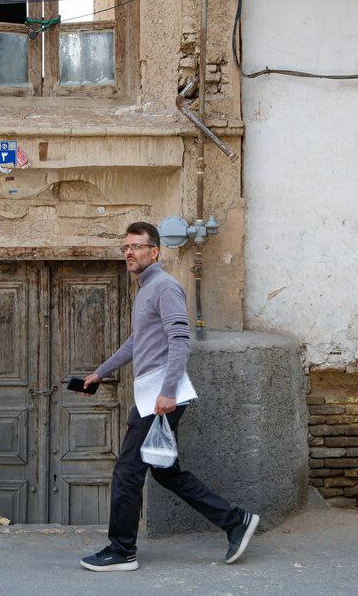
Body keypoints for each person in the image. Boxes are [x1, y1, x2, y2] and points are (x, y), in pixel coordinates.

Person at [79, 222, 259, 572]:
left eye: (137, 246)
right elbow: (137, 342)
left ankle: (122, 550)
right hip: (153, 394)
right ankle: (235, 520)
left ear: (155, 251)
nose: (129, 252)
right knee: (165, 472)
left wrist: (167, 392)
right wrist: (101, 372)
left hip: (159, 396)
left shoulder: (164, 287)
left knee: (128, 471)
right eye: (126, 247)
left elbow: (180, 340)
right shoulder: (146, 289)